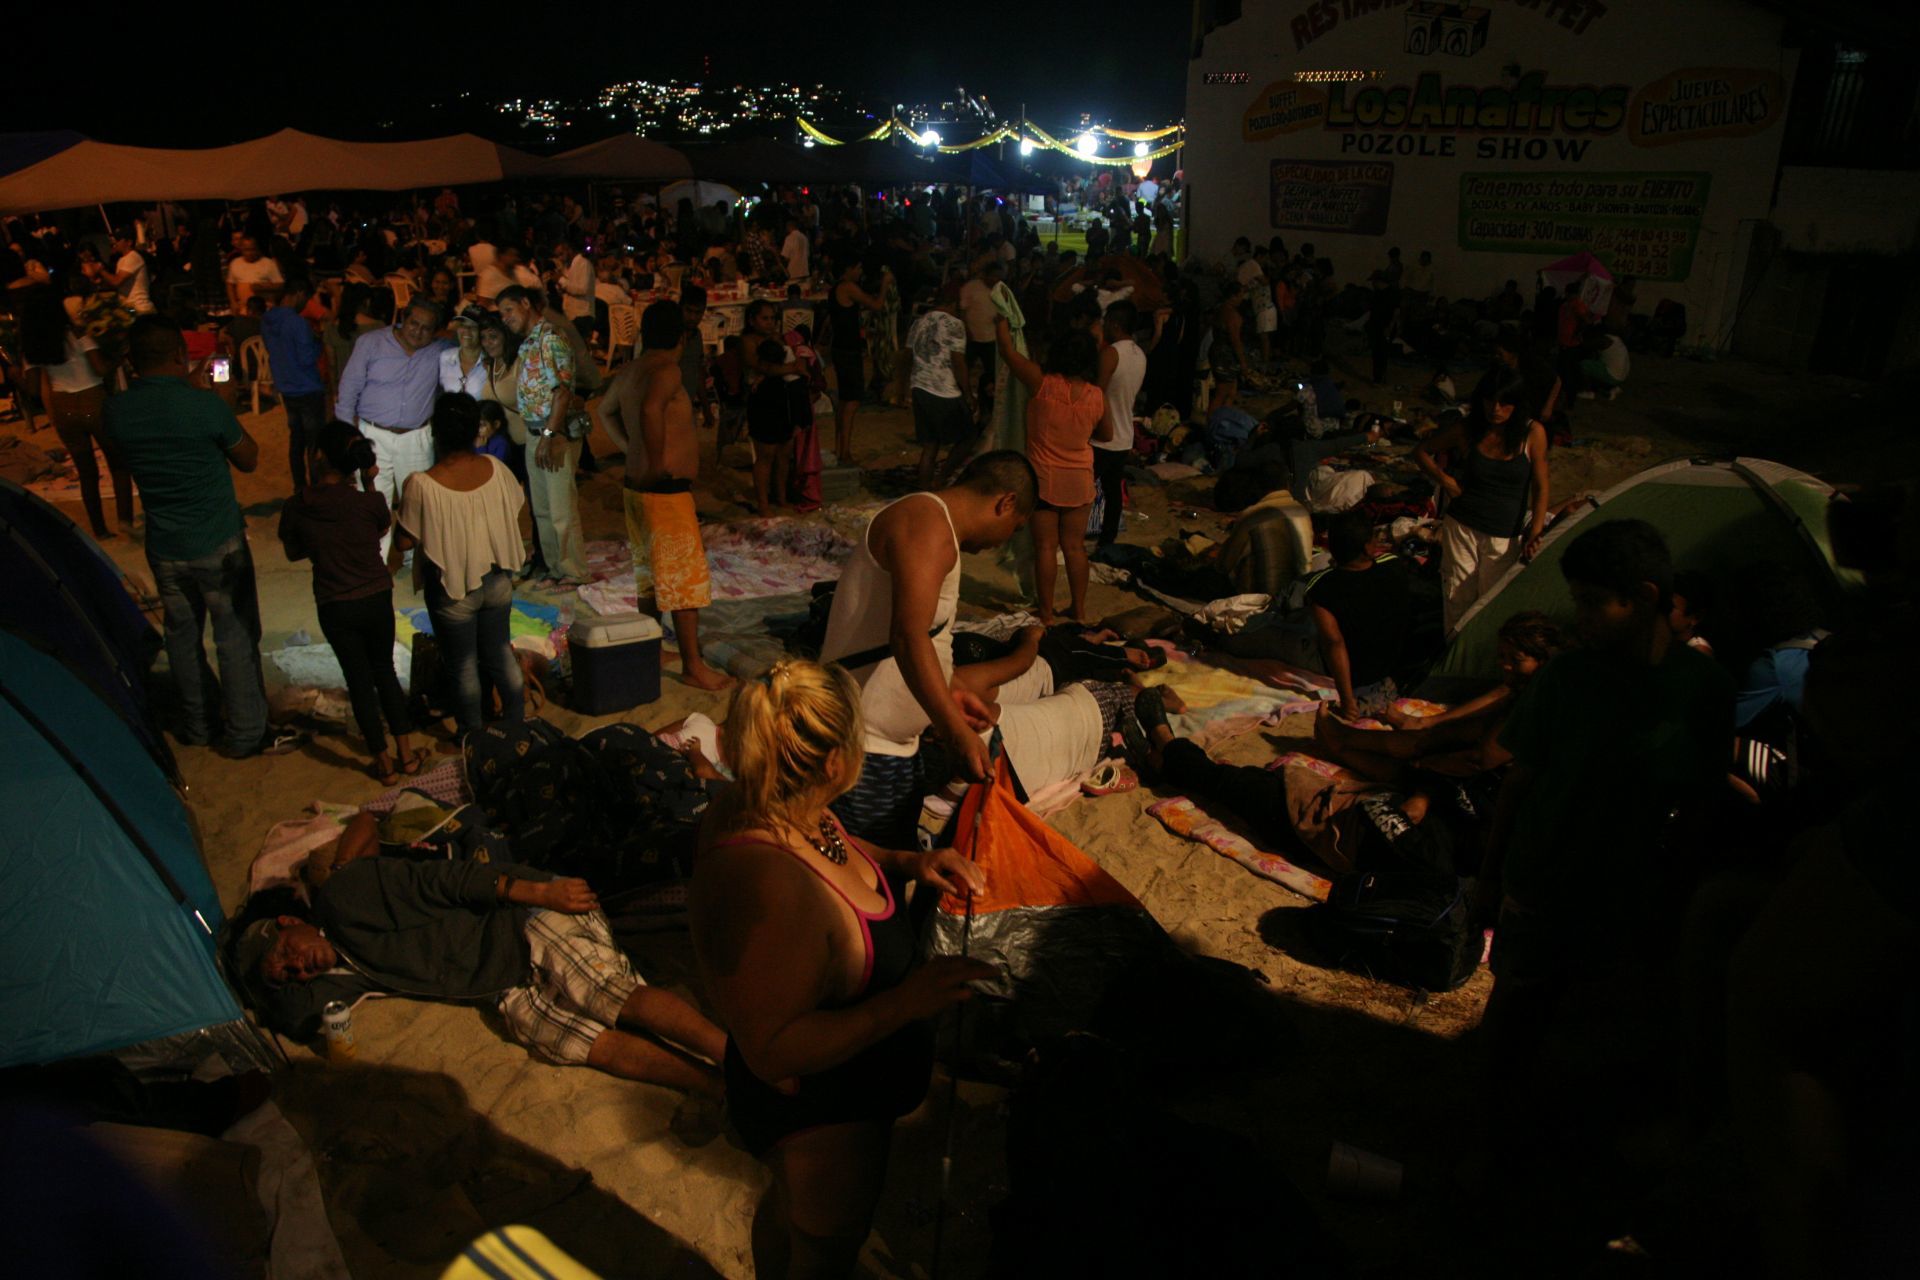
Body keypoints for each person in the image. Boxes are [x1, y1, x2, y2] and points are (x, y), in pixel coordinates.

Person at [689, 660, 995, 1277]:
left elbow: (834, 846)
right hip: (820, 1118)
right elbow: (773, 1048)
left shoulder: (778, 800)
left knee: (790, 1216)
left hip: (846, 1096)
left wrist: (910, 861)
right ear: (836, 763)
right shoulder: (774, 886)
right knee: (825, 1247)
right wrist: (908, 1001)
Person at [1481, 519, 1733, 1150]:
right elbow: (1518, 784)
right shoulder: (1565, 680)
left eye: (1594, 601)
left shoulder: (1702, 689)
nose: (1581, 616)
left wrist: (1676, 899)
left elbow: (1702, 803)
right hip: (1540, 883)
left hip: (1625, 897)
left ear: (1645, 597)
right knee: (1515, 1018)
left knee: (1591, 1029)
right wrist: (1489, 879)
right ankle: (1489, 1141)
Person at [238, 850, 726, 1097]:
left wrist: (542, 894)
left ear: (289, 922)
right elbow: (290, 1015)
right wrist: (261, 984)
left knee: (602, 992)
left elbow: (445, 879)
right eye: (290, 975)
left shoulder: (343, 900)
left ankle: (733, 1057)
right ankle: (715, 1088)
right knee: (577, 1041)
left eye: (288, 954)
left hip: (522, 916)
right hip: (498, 983)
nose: (300, 970)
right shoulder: (336, 977)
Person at [103, 317, 299, 758]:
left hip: (165, 545)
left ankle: (198, 724)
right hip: (217, 542)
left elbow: (124, 452)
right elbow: (248, 458)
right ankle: (247, 732)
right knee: (234, 638)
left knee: (183, 639)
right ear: (179, 354)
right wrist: (221, 405)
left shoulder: (117, 410)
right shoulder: (206, 407)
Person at [819, 452, 1036, 847]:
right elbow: (908, 636)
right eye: (1015, 527)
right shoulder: (928, 525)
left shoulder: (936, 528)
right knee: (866, 873)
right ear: (1005, 503)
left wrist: (950, 693)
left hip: (888, 746)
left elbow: (922, 637)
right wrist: (954, 731)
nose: (1004, 541)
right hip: (861, 746)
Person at [278, 421, 422, 782]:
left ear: (319, 457)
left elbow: (294, 552)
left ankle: (383, 763)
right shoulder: (367, 501)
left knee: (358, 681)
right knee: (384, 672)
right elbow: (380, 526)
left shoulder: (299, 506)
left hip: (335, 603)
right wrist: (370, 481)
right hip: (375, 596)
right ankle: (406, 755)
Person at [613, 300, 732, 692]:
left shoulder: (632, 369)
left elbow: (605, 413)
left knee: (648, 578)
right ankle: (693, 665)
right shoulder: (666, 370)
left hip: (637, 488)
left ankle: (650, 647)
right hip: (662, 490)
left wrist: (632, 451)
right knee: (683, 586)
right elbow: (650, 410)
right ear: (681, 336)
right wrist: (656, 460)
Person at [392, 393, 527, 736]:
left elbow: (404, 542)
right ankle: (516, 721)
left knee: (463, 666)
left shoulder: (421, 485)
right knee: (499, 653)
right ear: (474, 432)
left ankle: (472, 733)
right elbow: (514, 508)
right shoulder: (496, 470)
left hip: (452, 593)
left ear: (435, 433)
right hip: (496, 582)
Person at [1314, 611, 1566, 783]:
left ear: (1543, 660)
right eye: (1502, 657)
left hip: (1488, 784)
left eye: (1516, 660)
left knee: (1418, 762)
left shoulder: (1539, 704)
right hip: (1484, 764)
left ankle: (1341, 744)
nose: (1506, 666)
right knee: (1428, 740)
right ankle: (1344, 739)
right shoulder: (1524, 687)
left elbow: (1482, 759)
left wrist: (1429, 764)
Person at [1415, 369, 1550, 631]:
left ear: (1517, 404)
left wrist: (1535, 531)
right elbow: (1421, 451)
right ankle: (1453, 658)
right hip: (1462, 525)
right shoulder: (1468, 429)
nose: (1496, 409)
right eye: (1490, 401)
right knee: (1457, 598)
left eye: (1504, 403)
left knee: (1491, 603)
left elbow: (1541, 485)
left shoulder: (1532, 433)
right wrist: (1445, 480)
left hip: (1504, 533)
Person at [996, 318, 1109, 626]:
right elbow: (1107, 435)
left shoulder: (1041, 383)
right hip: (1080, 479)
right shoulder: (1096, 396)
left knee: (1045, 546)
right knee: (1075, 547)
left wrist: (1003, 323)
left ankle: (1045, 613)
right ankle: (1080, 611)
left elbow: (1008, 352)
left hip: (1042, 478)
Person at [336, 297, 452, 558]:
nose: (418, 331)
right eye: (413, 323)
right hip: (372, 435)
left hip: (416, 437)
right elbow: (348, 391)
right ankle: (375, 563)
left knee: (418, 505)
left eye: (426, 328)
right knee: (374, 503)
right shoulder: (371, 343)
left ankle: (416, 564)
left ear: (435, 331)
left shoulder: (441, 349)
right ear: (402, 318)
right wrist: (349, 439)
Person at [496, 285, 589, 586]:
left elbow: (562, 393)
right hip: (537, 432)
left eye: (508, 310)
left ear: (526, 303)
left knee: (561, 510)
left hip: (554, 433)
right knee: (544, 511)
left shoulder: (551, 338)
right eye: (502, 314)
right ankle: (554, 568)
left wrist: (550, 435)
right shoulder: (528, 343)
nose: (505, 318)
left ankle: (573, 572)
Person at [20, 292, 132, 538]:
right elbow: (100, 369)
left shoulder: (33, 348)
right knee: (119, 464)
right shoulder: (79, 336)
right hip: (94, 401)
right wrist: (118, 356)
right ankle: (125, 520)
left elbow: (30, 389)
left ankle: (100, 529)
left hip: (62, 407)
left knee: (86, 471)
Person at [1307, 511, 1417, 719]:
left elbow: (1333, 643)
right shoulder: (1393, 566)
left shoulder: (1322, 587)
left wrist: (1348, 702)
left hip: (1353, 675)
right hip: (1390, 668)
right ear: (1368, 547)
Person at [906, 283, 976, 490]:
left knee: (930, 445)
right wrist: (968, 394)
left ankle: (924, 488)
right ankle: (941, 479)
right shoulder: (954, 324)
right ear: (954, 303)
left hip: (919, 385)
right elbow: (958, 362)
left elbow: (907, 355)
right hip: (943, 389)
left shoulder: (919, 322)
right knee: (968, 437)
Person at [261, 278, 326, 496]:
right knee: (314, 441)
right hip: (307, 387)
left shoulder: (267, 320)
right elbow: (307, 358)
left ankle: (300, 486)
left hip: (287, 387)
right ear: (298, 293)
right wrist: (318, 342)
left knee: (296, 440)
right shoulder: (297, 323)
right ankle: (317, 486)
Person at [742, 300, 808, 513]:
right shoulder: (748, 341)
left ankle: (780, 497)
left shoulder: (779, 339)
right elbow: (763, 367)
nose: (770, 323)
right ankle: (763, 502)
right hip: (762, 401)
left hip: (782, 399)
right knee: (766, 454)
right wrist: (790, 367)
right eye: (765, 318)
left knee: (784, 453)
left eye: (772, 318)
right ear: (752, 320)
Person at [1094, 300, 1144, 548]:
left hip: (1103, 435)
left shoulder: (1111, 353)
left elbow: (1096, 393)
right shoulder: (1139, 354)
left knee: (1082, 491)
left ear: (1114, 324)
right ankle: (1107, 540)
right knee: (1113, 492)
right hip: (1124, 435)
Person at [827, 260, 884, 465]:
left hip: (841, 348)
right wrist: (885, 285)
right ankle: (844, 453)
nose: (860, 271)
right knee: (851, 402)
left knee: (844, 401)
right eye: (858, 267)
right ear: (848, 268)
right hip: (848, 350)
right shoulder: (848, 287)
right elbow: (877, 305)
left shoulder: (835, 288)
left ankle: (840, 448)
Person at [959, 257, 1003, 423]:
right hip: (972, 336)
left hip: (991, 337)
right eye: (994, 276)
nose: (996, 280)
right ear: (986, 275)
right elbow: (962, 311)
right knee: (964, 368)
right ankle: (963, 398)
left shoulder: (1000, 290)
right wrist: (966, 330)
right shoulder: (971, 287)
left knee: (991, 372)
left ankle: (987, 406)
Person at [84, 228, 155, 314]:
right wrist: (100, 281)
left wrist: (100, 270)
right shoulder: (122, 260)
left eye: (117, 239)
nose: (114, 242)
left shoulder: (133, 257)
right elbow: (116, 284)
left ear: (129, 242)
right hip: (130, 308)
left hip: (139, 308)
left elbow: (117, 281)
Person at [438, 305, 488, 398]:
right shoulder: (445, 357)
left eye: (473, 327)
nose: (466, 330)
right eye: (462, 325)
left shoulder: (490, 362)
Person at [224, 236, 283, 314]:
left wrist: (263, 287)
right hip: (243, 309)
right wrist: (233, 302)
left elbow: (280, 285)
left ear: (257, 249)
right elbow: (230, 284)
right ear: (241, 249)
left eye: (253, 249)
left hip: (264, 308)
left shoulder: (268, 263)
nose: (250, 253)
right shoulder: (235, 263)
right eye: (247, 250)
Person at [780, 216, 810, 282]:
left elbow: (786, 257)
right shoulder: (804, 237)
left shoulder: (789, 238)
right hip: (805, 270)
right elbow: (807, 254)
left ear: (789, 227)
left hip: (794, 272)